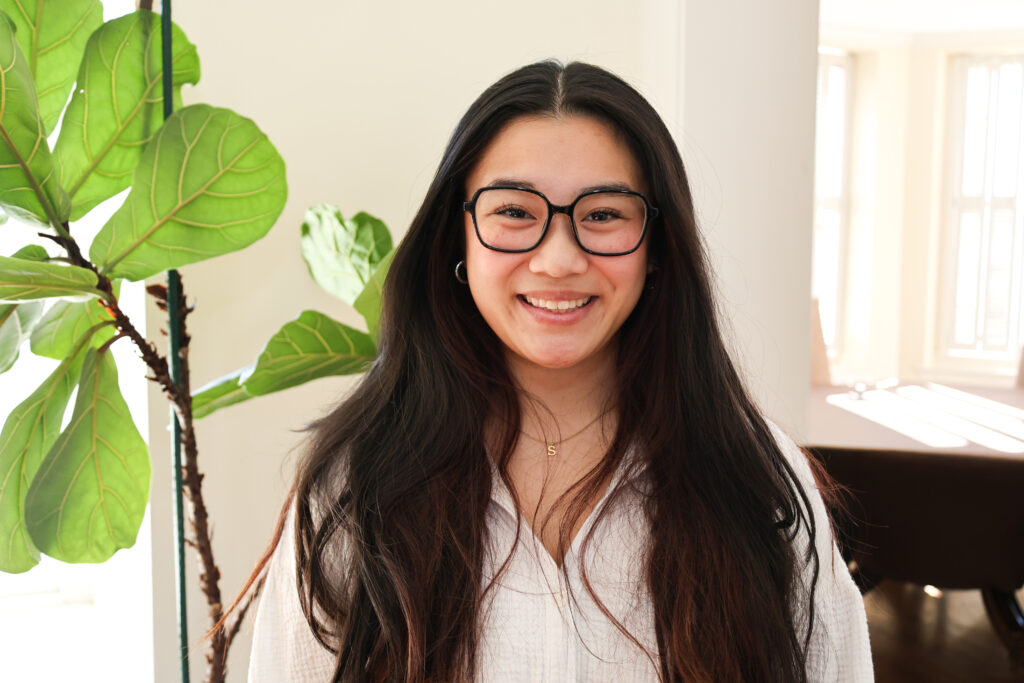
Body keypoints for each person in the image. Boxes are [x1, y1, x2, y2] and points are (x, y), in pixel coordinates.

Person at [246, 60, 873, 682]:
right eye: (515, 213)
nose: (558, 259)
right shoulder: (357, 484)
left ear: (657, 247)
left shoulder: (755, 476)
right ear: (456, 239)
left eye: (603, 215)